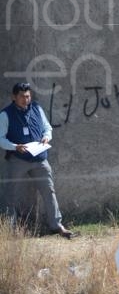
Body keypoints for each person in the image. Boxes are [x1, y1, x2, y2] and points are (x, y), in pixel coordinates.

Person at [0, 82, 75, 238]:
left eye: (27, 96)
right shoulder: (5, 115)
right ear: (14, 97)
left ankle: (57, 225)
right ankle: (10, 230)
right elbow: (0, 138)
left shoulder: (37, 108)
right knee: (10, 195)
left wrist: (47, 137)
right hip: (17, 159)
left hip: (39, 158)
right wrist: (15, 146)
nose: (25, 99)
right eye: (21, 96)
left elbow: (47, 127)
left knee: (49, 191)